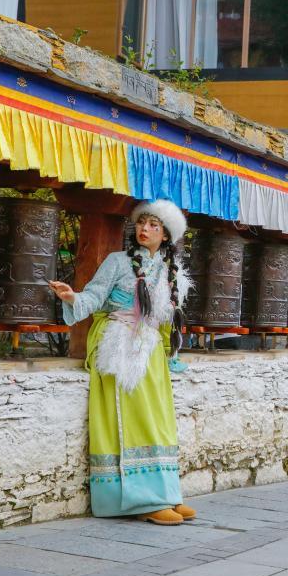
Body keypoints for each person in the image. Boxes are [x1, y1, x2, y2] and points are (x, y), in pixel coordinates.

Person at [49, 200, 195, 526]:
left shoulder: (172, 271)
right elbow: (95, 296)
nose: (144, 230)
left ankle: (167, 493)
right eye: (142, 223)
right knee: (132, 419)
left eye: (154, 225)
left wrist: (173, 354)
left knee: (158, 420)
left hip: (151, 350)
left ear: (166, 235)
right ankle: (140, 500)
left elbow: (169, 320)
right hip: (118, 346)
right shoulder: (117, 262)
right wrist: (72, 297)